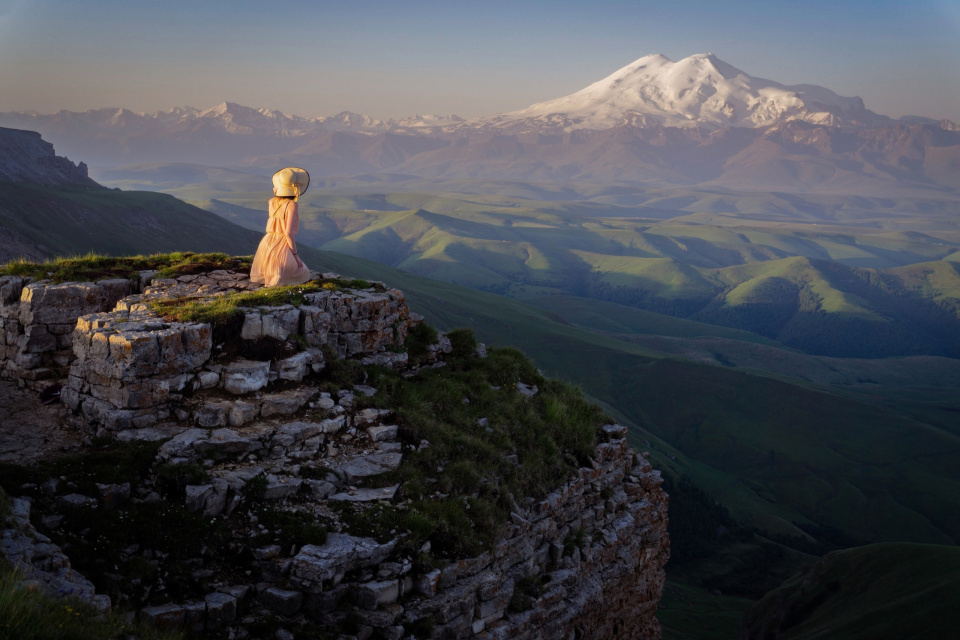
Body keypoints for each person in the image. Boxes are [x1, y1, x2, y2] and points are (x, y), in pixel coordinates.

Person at [250, 167, 312, 287]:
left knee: (271, 271)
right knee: (304, 273)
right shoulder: (292, 205)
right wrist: (296, 256)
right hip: (281, 244)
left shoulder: (271, 201)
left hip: (267, 243)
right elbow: (288, 233)